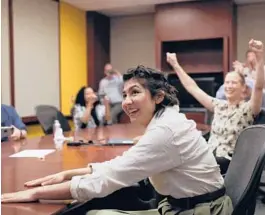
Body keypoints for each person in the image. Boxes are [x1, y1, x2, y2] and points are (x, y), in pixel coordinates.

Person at [1, 66, 233, 215]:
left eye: (135, 93)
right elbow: (119, 165)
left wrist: (35, 194)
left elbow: (105, 181)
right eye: (124, 95)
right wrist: (69, 173)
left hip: (202, 211)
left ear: (158, 97)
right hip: (187, 204)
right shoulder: (167, 121)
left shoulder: (165, 132)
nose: (126, 101)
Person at [166, 39, 264, 174]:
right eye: (227, 82)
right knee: (172, 156)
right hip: (208, 156)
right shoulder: (219, 105)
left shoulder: (248, 109)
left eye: (234, 83)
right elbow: (192, 88)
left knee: (182, 164)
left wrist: (259, 57)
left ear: (243, 88)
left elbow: (258, 87)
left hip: (228, 163)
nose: (228, 86)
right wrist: (175, 64)